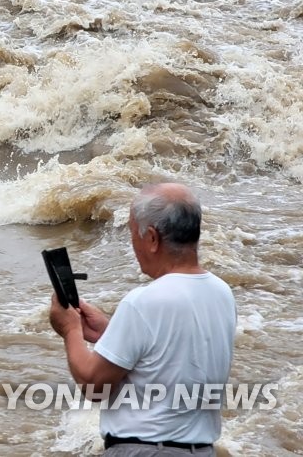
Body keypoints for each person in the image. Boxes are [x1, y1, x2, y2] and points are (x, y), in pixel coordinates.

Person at [49, 183, 236, 456]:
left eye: (132, 232)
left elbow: (93, 385)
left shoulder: (143, 301)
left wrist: (70, 329)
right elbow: (171, 359)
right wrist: (109, 334)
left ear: (151, 238)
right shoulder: (221, 292)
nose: (132, 243)